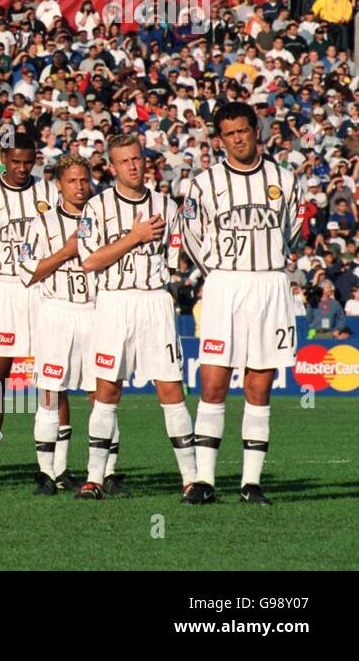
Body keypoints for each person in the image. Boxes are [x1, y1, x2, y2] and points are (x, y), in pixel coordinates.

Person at [181, 101, 302, 505]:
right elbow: (193, 237)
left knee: (258, 384)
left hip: (269, 285)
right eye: (230, 134)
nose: (238, 139)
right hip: (225, 286)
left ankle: (251, 484)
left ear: (257, 131)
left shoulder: (285, 180)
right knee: (213, 382)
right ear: (220, 139)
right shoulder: (204, 183)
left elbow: (293, 232)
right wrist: (219, 273)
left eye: (244, 131)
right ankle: (205, 482)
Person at [77, 133, 196, 501]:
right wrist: (134, 237)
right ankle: (95, 478)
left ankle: (191, 479)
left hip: (154, 302)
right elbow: (90, 261)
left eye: (137, 158)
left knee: (171, 389)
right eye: (124, 161)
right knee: (107, 391)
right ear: (112, 167)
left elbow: (181, 257)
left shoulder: (168, 206)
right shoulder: (96, 208)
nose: (132, 165)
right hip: (113, 304)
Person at [0, 132, 57, 488]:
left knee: (52, 377)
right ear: (3, 158)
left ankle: (51, 468)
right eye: (15, 161)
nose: (22, 168)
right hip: (4, 289)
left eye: (29, 161)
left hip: (41, 290)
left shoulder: (48, 193)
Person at [20, 154, 95, 496]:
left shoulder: (104, 217)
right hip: (56, 311)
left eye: (84, 180)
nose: (80, 187)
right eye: (72, 181)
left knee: (102, 393)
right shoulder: (41, 223)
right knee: (50, 392)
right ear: (59, 185)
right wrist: (66, 252)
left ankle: (99, 474)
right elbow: (28, 272)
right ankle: (46, 473)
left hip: (96, 312)